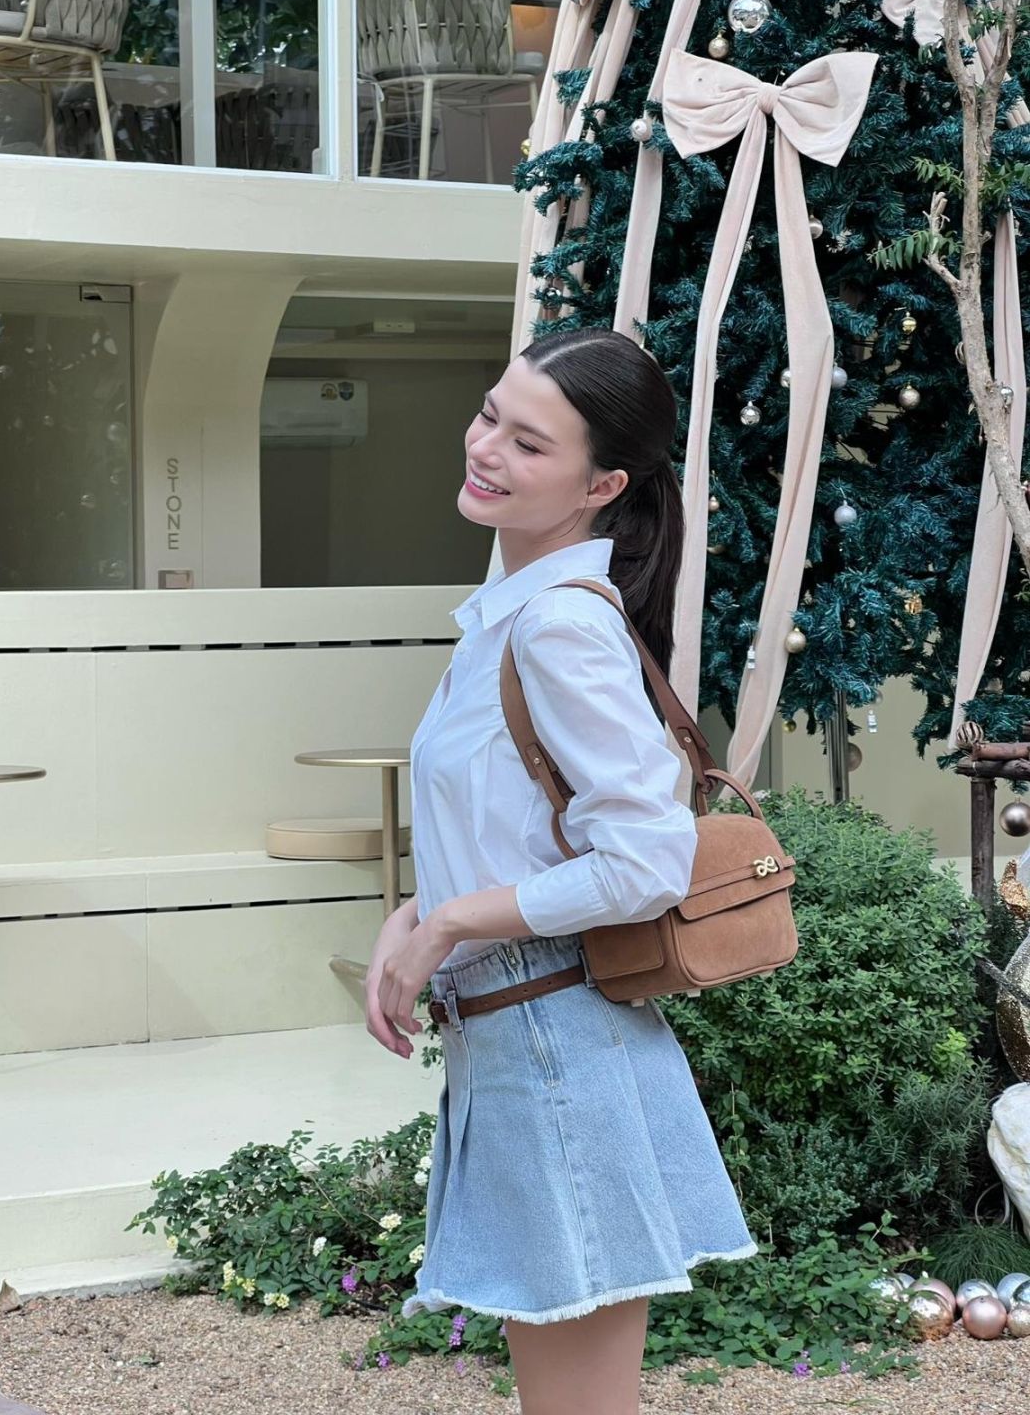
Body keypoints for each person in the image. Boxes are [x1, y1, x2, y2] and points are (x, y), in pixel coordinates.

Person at [363, 327, 757, 1415]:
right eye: (491, 414)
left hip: (554, 1041)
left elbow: (645, 861)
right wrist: (417, 914)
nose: (485, 447)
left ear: (603, 486)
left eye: (528, 443)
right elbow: (518, 831)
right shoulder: (508, 617)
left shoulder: (556, 631)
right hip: (521, 1038)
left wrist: (451, 925)